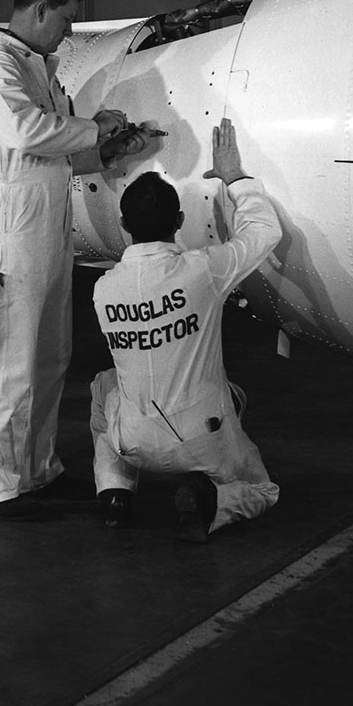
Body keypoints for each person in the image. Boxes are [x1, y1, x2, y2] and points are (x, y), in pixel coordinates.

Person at [0, 0, 146, 520]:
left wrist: (104, 146)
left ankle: (32, 471)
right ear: (40, 8)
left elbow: (52, 147)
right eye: (66, 18)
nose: (69, 31)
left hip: (45, 223)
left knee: (46, 357)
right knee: (5, 361)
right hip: (14, 225)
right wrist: (94, 128)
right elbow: (24, 132)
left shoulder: (36, 67)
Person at [88, 118, 282, 542]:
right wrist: (234, 179)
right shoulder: (201, 272)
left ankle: (114, 491)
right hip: (202, 441)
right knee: (263, 490)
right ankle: (211, 499)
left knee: (104, 386)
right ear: (178, 221)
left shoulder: (104, 290)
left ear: (124, 225)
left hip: (134, 441)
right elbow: (265, 232)